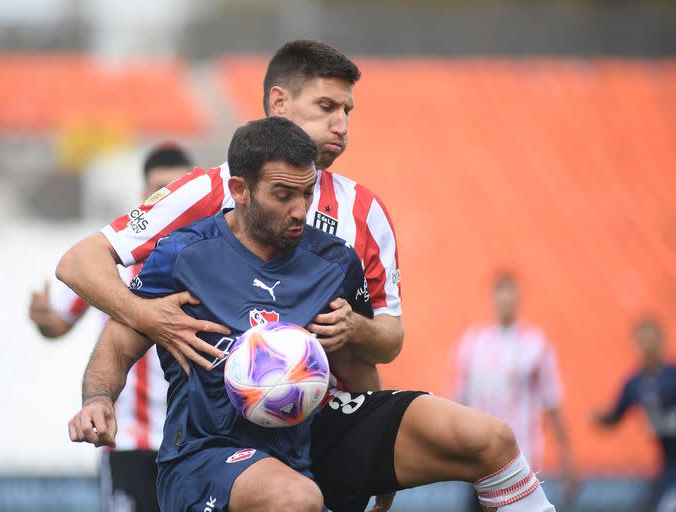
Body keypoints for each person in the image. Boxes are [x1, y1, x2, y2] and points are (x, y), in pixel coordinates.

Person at [69, 118, 556, 512]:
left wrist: (379, 465)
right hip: (207, 456)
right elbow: (117, 341)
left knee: (488, 439)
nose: (300, 209)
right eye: (283, 195)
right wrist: (98, 398)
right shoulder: (183, 256)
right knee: (297, 500)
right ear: (239, 189)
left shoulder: (334, 262)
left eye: (307, 192)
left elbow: (356, 369)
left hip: (307, 446)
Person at [30, 143, 191, 512]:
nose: (168, 202)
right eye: (158, 192)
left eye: (177, 191)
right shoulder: (114, 262)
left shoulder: (210, 260)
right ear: (142, 197)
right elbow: (59, 323)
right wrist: (43, 319)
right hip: (128, 440)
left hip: (190, 441)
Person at [453, 272, 575, 511]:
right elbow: (459, 403)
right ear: (492, 298)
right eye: (500, 293)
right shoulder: (473, 343)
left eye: (510, 293)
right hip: (480, 458)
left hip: (520, 459)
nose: (505, 300)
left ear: (518, 298)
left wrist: (568, 463)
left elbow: (552, 404)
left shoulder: (535, 344)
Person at [593, 317, 676, 512]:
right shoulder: (635, 382)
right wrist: (601, 419)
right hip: (667, 461)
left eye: (650, 339)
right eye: (642, 340)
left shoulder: (672, 375)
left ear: (661, 340)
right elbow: (615, 416)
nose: (647, 346)